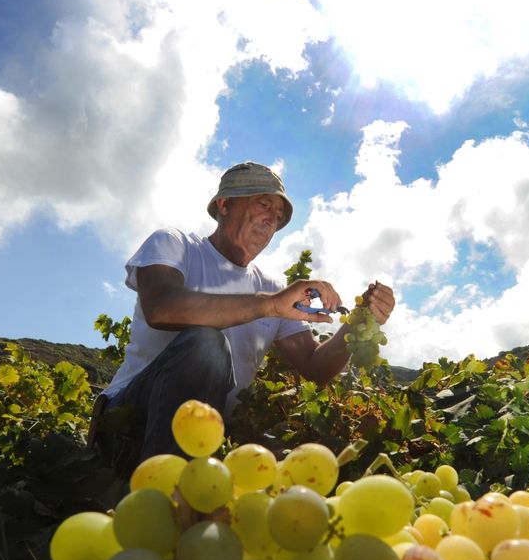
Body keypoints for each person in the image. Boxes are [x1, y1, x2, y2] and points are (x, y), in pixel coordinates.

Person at [96, 161, 395, 468]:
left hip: (208, 439)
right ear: (224, 204)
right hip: (126, 423)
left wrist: (358, 323)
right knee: (205, 343)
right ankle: (170, 492)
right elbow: (161, 307)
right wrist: (269, 305)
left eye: (278, 216)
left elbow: (315, 366)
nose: (271, 221)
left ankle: (190, 481)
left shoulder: (272, 287)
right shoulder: (175, 244)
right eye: (263, 204)